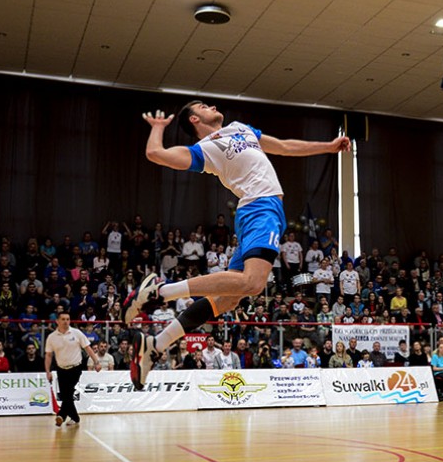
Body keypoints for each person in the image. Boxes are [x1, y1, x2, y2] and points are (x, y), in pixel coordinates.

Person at [124, 104, 350, 389]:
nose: (212, 106)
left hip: (263, 212)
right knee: (253, 283)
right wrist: (158, 128)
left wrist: (328, 147)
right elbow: (155, 153)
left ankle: (155, 344)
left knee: (229, 299)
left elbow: (283, 146)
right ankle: (160, 292)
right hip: (260, 208)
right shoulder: (204, 149)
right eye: (203, 106)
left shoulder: (241, 128)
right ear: (195, 119)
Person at [45, 311, 102, 427]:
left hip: (75, 368)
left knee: (68, 392)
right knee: (66, 395)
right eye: (63, 319)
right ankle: (75, 417)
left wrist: (96, 362)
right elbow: (48, 355)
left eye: (68, 319)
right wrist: (47, 371)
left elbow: (88, 348)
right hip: (61, 369)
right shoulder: (52, 337)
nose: (66, 322)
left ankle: (61, 415)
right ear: (57, 321)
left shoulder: (77, 333)